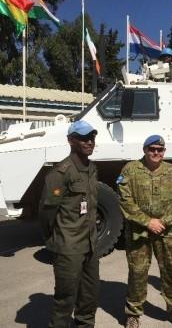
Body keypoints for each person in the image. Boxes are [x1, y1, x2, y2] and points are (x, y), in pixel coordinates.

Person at [118, 134, 172, 328]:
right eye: (152, 149)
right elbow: (125, 199)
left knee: (171, 270)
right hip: (138, 231)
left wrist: (163, 222)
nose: (156, 153)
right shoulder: (130, 170)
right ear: (145, 150)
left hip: (167, 231)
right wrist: (147, 221)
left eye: (160, 149)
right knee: (137, 272)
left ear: (164, 152)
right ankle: (133, 313)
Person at [39, 120, 99, 328]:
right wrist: (54, 240)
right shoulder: (60, 173)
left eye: (92, 137)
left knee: (89, 296)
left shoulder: (91, 169)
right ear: (71, 140)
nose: (89, 141)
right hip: (69, 247)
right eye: (83, 137)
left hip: (90, 245)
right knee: (65, 298)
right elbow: (47, 213)